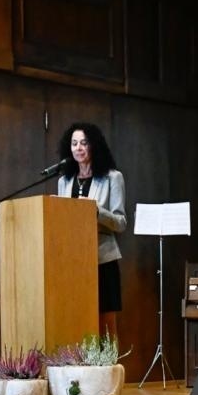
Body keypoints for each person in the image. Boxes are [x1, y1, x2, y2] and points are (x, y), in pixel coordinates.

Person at [55, 123, 127, 342]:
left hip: (102, 259)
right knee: (77, 319)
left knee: (106, 325)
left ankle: (110, 372)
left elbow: (121, 222)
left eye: (84, 143)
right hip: (73, 262)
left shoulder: (112, 177)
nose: (78, 148)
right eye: (74, 143)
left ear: (94, 146)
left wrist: (95, 211)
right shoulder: (64, 181)